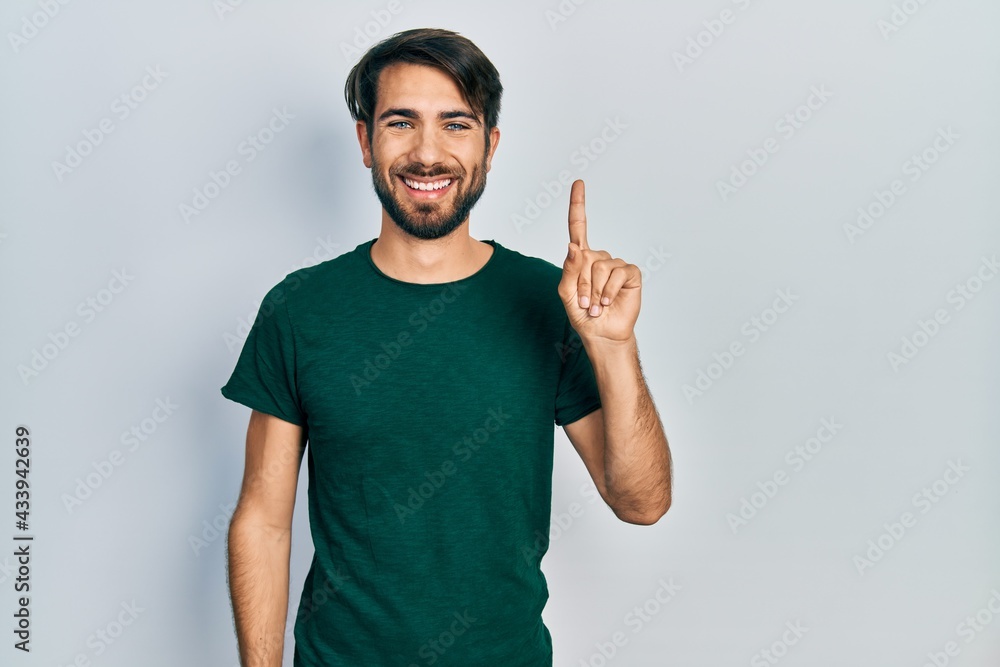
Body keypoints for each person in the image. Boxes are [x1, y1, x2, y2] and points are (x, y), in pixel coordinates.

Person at [221, 27, 672, 667]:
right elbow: (263, 520)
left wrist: (614, 348)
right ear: (365, 142)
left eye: (455, 125)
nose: (427, 153)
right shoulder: (300, 309)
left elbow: (642, 502)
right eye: (401, 122)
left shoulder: (549, 300)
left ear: (489, 146)